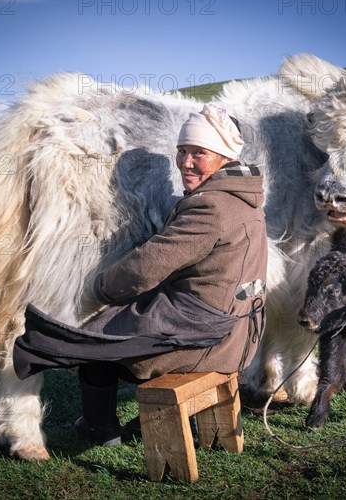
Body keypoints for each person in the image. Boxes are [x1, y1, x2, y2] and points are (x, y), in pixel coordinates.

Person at [13, 104, 268, 446]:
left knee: (92, 342)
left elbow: (148, 266)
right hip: (237, 332)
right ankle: (167, 422)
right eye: (181, 151)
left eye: (199, 154)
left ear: (223, 156)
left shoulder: (211, 206)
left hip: (207, 336)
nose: (186, 162)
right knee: (120, 331)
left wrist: (100, 289)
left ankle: (98, 429)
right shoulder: (244, 198)